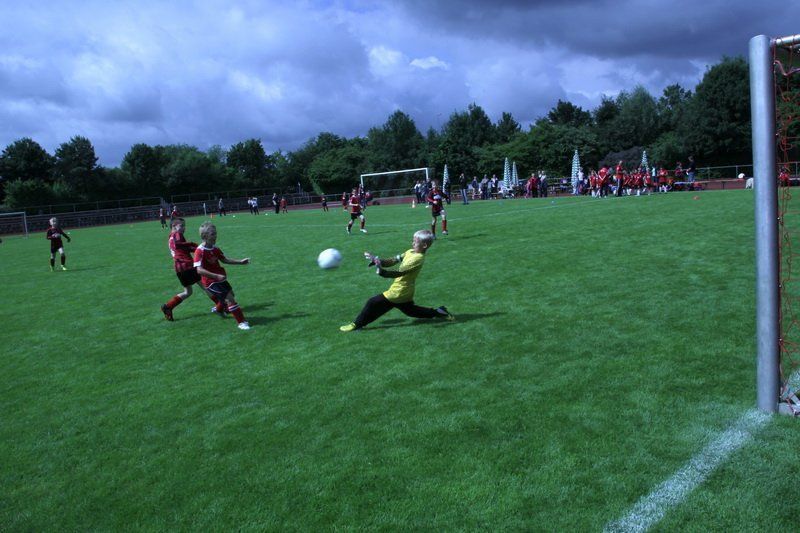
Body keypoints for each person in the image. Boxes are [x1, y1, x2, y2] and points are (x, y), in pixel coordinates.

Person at [339, 229, 454, 332]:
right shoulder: (410, 252)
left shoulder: (418, 258)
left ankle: (357, 324)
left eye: (415, 242)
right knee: (411, 311)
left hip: (400, 291)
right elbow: (393, 260)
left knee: (373, 302)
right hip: (406, 290)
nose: (412, 243)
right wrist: (378, 261)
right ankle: (439, 312)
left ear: (424, 245)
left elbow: (399, 272)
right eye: (413, 240)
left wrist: (382, 272)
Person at [193, 221, 251, 330]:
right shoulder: (200, 251)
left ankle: (218, 309)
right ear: (204, 236)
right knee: (230, 299)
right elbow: (199, 270)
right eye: (212, 234)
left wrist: (240, 262)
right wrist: (215, 276)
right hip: (210, 281)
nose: (215, 236)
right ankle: (241, 322)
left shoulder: (215, 248)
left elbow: (224, 260)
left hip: (219, 279)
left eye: (215, 233)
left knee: (230, 295)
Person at [160, 218, 218, 321]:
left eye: (184, 226)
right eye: (181, 226)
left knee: (188, 292)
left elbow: (182, 248)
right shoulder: (177, 234)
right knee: (205, 285)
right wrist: (197, 246)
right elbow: (180, 245)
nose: (184, 228)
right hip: (187, 265)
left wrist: (195, 249)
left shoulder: (170, 237)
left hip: (179, 268)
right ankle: (221, 305)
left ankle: (168, 306)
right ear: (174, 226)